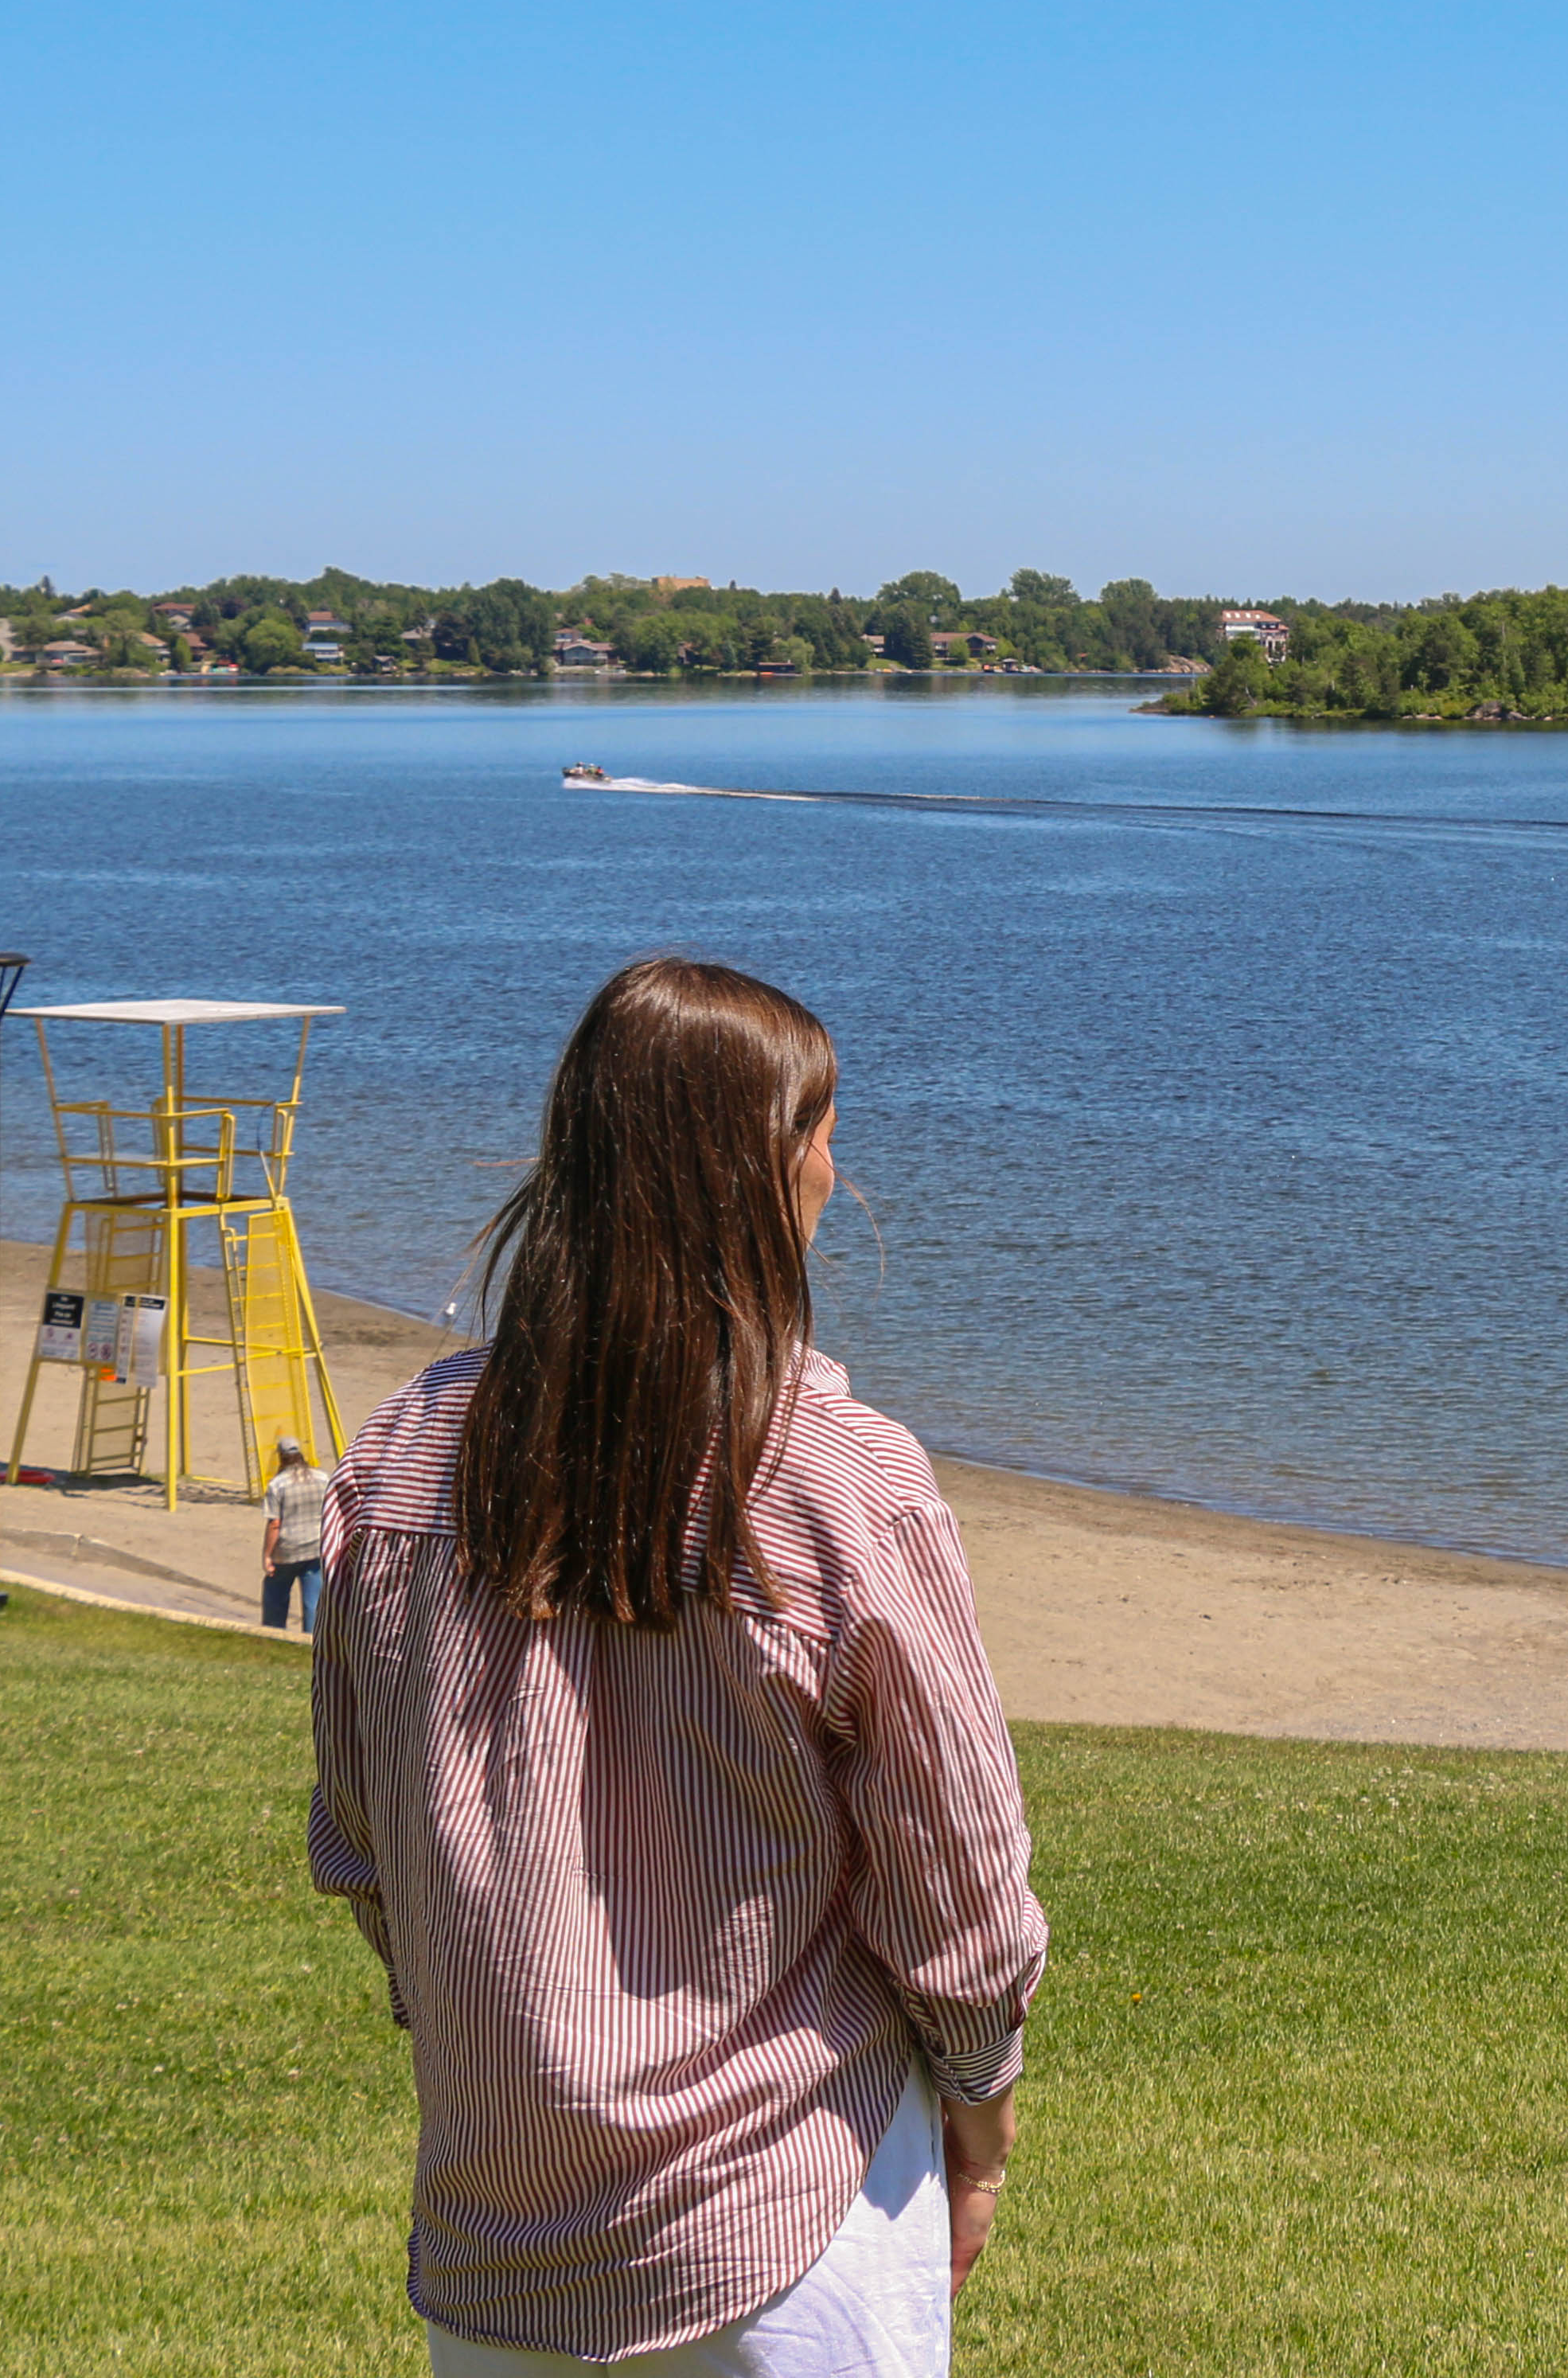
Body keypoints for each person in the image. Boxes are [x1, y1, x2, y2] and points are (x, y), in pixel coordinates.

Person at [312, 956, 1046, 2378]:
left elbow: (366, 1846)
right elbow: (957, 1876)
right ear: (757, 1171)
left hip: (500, 2239)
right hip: (791, 2217)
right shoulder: (838, 1479)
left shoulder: (407, 1455)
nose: (839, 1166)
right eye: (819, 1129)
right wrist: (982, 2103)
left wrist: (511, 2050)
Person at [261, 1436, 328, 1633]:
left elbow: (275, 1524)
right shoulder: (323, 1479)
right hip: (316, 1548)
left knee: (275, 1593)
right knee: (313, 1600)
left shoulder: (278, 1485)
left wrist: (267, 1556)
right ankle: (311, 1641)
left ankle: (274, 1634)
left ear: (281, 1457)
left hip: (286, 1551)